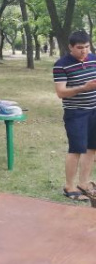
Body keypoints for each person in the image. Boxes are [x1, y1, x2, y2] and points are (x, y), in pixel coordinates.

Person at [53, 30, 96, 201]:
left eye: (86, 47)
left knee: (92, 148)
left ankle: (84, 183)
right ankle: (69, 186)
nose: (84, 51)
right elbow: (60, 92)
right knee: (76, 149)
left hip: (94, 110)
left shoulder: (93, 59)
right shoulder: (61, 65)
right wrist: (82, 88)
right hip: (76, 113)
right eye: (80, 48)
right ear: (70, 47)